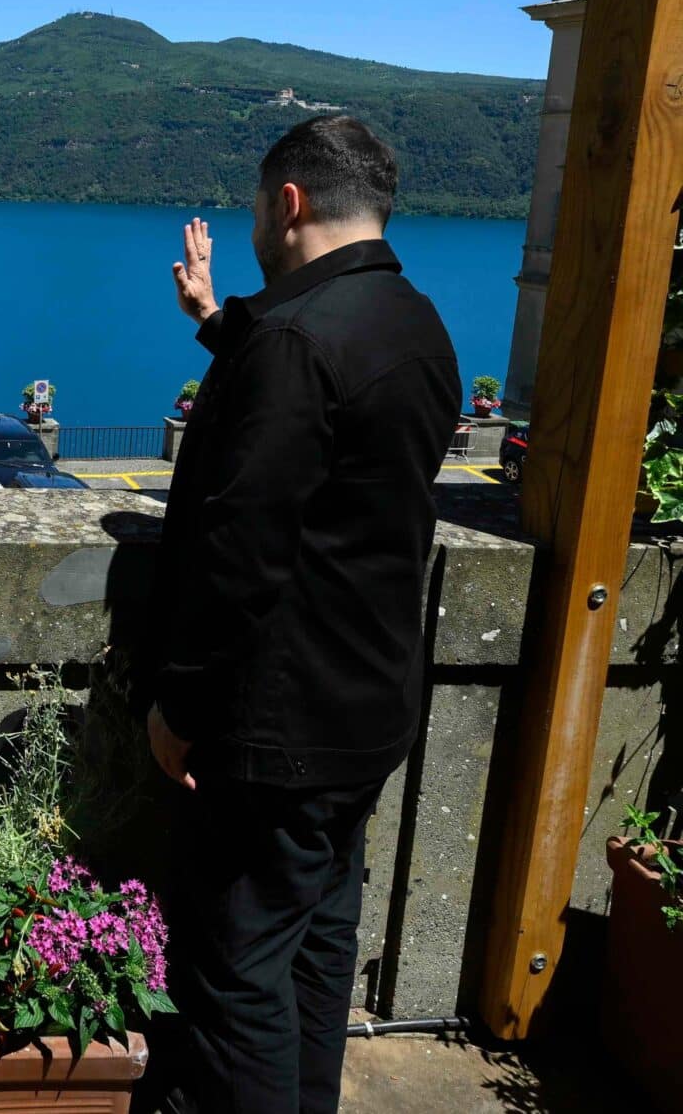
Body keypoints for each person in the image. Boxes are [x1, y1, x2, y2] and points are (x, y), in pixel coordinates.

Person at [142, 116, 458, 1114]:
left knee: (235, 976)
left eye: (251, 209)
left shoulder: (292, 342)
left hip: (273, 730)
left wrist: (176, 707)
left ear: (288, 203)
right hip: (365, 710)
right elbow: (320, 408)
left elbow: (240, 557)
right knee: (316, 955)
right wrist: (211, 317)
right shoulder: (414, 323)